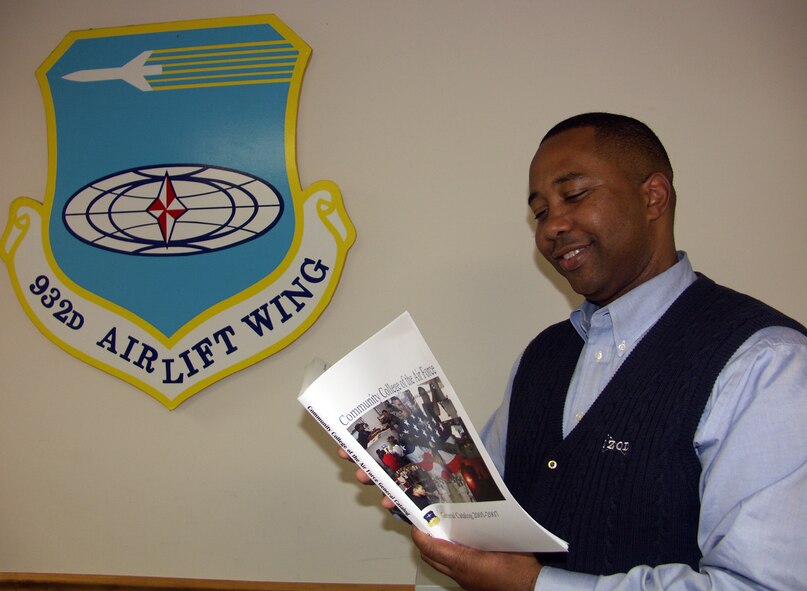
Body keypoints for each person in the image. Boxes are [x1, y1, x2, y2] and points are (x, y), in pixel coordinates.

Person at [342, 113, 807, 590]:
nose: (551, 227)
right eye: (540, 212)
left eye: (575, 195)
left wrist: (535, 586)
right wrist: (414, 481)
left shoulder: (767, 363)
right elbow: (490, 513)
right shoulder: (542, 356)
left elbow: (763, 585)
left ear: (654, 197)